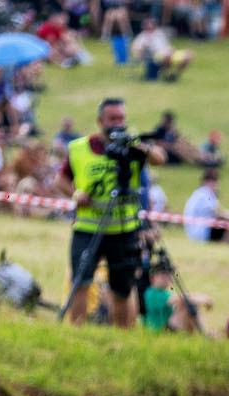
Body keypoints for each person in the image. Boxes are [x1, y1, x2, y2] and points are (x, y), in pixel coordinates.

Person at [61, 97, 163, 328]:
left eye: (121, 118)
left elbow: (159, 159)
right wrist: (76, 194)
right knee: (81, 282)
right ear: (100, 121)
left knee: (123, 289)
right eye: (112, 118)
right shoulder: (80, 148)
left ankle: (122, 336)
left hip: (123, 230)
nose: (118, 123)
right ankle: (76, 333)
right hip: (88, 228)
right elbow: (61, 179)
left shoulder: (134, 147)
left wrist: (138, 146)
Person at [182, 168, 229, 242]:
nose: (217, 186)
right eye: (216, 183)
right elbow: (217, 212)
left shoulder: (200, 193)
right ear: (208, 182)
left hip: (196, 231)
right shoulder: (205, 193)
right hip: (202, 232)